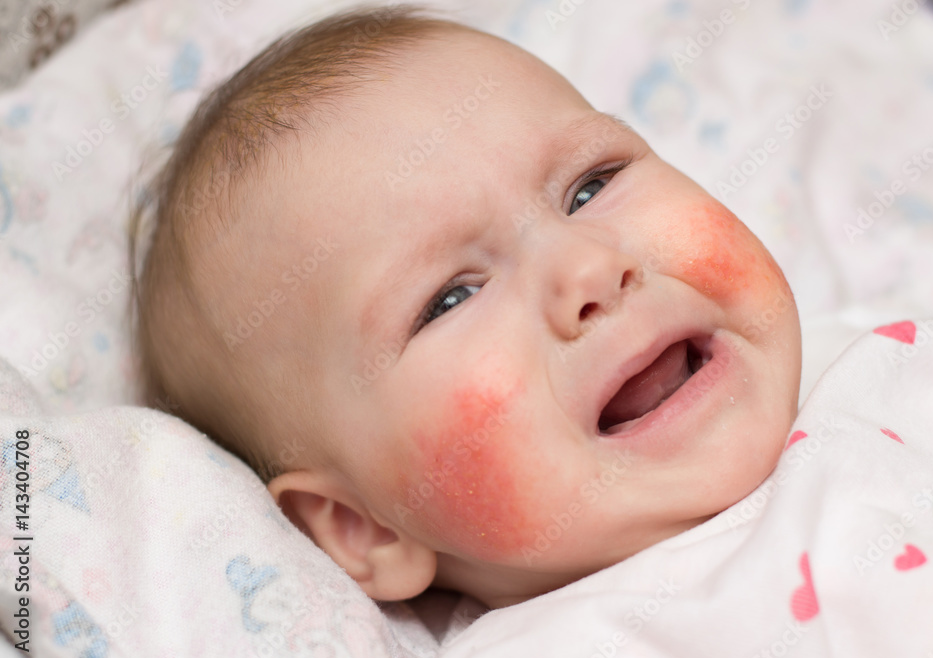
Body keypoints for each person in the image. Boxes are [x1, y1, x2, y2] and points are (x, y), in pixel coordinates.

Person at [131, 3, 807, 611]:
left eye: (590, 186)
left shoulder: (868, 371)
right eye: (452, 298)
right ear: (362, 527)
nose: (591, 269)